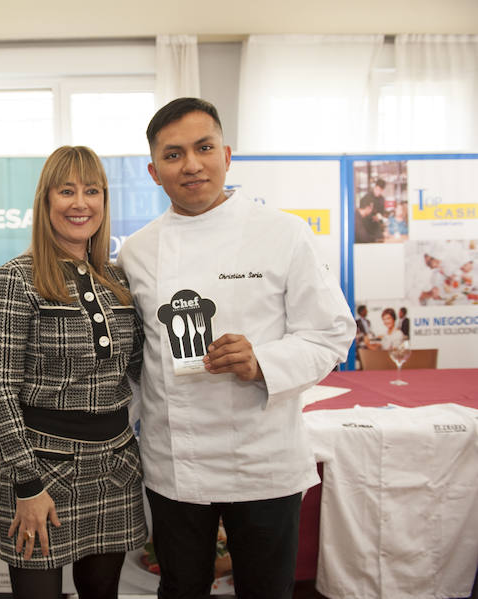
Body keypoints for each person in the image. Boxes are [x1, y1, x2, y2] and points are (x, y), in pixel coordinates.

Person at [117, 98, 355, 599]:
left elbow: (331, 332)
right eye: (174, 154)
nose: (192, 164)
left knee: (266, 590)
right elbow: (135, 357)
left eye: (204, 148)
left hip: (262, 457)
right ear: (154, 171)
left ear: (227, 154)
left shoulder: (284, 232)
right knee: (181, 588)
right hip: (175, 462)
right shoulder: (135, 250)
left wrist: (263, 361)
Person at [0, 146, 146, 599]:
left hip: (115, 465)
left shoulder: (119, 279)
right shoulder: (15, 278)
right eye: (67, 190)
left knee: (103, 594)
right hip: (41, 470)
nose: (81, 203)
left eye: (92, 191)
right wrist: (27, 483)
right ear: (45, 200)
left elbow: (140, 368)